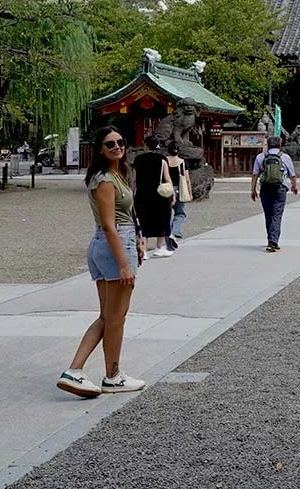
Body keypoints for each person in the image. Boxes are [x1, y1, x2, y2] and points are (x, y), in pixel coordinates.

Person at [57, 126, 145, 397]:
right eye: (110, 144)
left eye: (120, 141)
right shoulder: (105, 180)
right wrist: (124, 264)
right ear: (100, 150)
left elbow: (126, 215)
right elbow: (109, 225)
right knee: (116, 318)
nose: (117, 147)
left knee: (108, 317)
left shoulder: (116, 175)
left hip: (113, 243)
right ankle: (110, 375)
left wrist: (138, 240)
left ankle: (79, 371)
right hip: (114, 245)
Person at [251, 136, 299, 252]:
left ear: (268, 145)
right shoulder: (285, 157)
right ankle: (273, 242)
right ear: (280, 145)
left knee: (268, 214)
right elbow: (292, 174)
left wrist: (253, 189)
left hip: (265, 188)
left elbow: (255, 174)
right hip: (280, 188)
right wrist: (294, 186)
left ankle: (270, 239)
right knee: (277, 214)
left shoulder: (261, 157)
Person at [133, 135, 175, 258]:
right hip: (159, 195)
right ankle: (159, 247)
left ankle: (144, 249)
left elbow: (134, 180)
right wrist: (172, 194)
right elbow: (167, 178)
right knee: (162, 219)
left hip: (142, 194)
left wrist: (132, 192)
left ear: (146, 145)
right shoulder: (162, 159)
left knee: (143, 221)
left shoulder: (138, 160)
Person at [165, 140, 190, 249]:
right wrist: (189, 192)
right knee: (180, 213)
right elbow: (187, 179)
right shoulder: (182, 162)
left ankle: (169, 242)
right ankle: (174, 232)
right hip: (179, 189)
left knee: (167, 215)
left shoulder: (164, 161)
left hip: (166, 189)